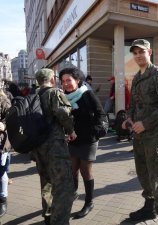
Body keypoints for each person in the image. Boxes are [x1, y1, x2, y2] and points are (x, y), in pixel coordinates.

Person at [121, 39, 158, 225]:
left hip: (155, 134)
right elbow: (135, 104)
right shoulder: (136, 77)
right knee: (143, 172)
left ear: (149, 52)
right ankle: (149, 207)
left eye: (141, 52)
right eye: (135, 53)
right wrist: (129, 118)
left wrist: (145, 123)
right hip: (139, 135)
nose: (138, 56)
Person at [59, 67, 107, 219]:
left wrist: (95, 131)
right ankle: (72, 195)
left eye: (69, 80)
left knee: (85, 170)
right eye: (63, 81)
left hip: (88, 138)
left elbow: (101, 113)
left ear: (77, 80)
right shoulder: (63, 97)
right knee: (73, 169)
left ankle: (89, 202)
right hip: (73, 139)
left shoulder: (86, 94)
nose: (66, 84)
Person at [33, 68, 77, 225]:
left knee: (47, 184)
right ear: (52, 79)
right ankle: (59, 222)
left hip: (38, 148)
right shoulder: (54, 93)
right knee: (64, 187)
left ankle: (48, 216)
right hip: (55, 147)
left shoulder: (33, 95)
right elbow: (63, 114)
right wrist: (71, 130)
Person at [0, 87, 11, 218]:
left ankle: (3, 199)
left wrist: (3, 124)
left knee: (1, 172)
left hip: (1, 142)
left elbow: (11, 119)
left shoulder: (3, 100)